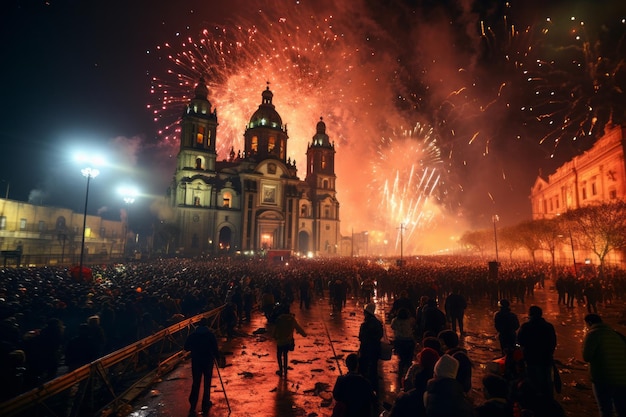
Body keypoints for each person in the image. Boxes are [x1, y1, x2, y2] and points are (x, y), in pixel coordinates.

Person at [582, 313, 626, 417]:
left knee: (605, 409)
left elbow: (586, 356)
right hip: (622, 378)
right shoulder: (616, 334)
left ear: (589, 323)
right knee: (621, 409)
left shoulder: (593, 334)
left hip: (603, 377)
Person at [517, 305, 557, 399]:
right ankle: (548, 401)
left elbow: (520, 341)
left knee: (533, 381)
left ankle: (536, 401)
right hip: (546, 359)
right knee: (546, 380)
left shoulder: (526, 326)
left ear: (530, 314)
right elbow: (553, 342)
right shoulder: (548, 326)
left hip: (531, 359)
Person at [184, 317, 219, 416]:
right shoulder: (210, 335)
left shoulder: (193, 335)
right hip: (208, 361)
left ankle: (193, 406)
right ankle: (205, 404)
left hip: (196, 362)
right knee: (207, 383)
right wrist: (218, 357)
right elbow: (215, 349)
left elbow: (186, 347)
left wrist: (194, 349)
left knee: (196, 383)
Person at [332, 353, 376, 417]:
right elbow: (372, 399)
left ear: (347, 365)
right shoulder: (365, 382)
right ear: (357, 365)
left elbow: (336, 396)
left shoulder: (341, 380)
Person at [271, 303, 307, 377]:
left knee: (279, 355)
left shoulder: (279, 319)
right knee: (285, 355)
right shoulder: (292, 319)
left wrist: (274, 336)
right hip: (288, 341)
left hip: (280, 341)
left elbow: (275, 330)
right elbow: (298, 328)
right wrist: (304, 334)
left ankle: (281, 370)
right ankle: (285, 370)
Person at [438, 329, 473, 393]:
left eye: (441, 343)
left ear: (446, 343)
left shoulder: (451, 359)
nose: (440, 346)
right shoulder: (462, 355)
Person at [359, 302, 384, 391]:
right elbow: (380, 335)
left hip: (366, 348)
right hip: (375, 348)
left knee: (363, 368)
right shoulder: (378, 323)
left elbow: (361, 337)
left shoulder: (365, 325)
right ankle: (374, 387)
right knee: (373, 368)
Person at [391, 307, 416, 375]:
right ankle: (408, 373)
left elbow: (392, 327)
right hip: (409, 340)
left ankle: (401, 372)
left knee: (401, 358)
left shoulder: (395, 320)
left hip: (399, 340)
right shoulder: (410, 320)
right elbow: (414, 325)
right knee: (409, 358)